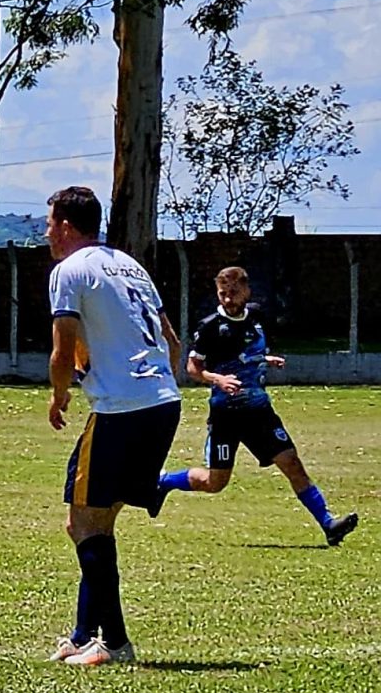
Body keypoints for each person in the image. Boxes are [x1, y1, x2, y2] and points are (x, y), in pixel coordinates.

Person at [43, 186, 182, 667]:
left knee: (85, 521)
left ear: (64, 226)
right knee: (91, 519)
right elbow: (170, 339)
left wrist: (60, 394)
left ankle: (116, 644)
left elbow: (62, 350)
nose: (46, 234)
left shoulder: (68, 271)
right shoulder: (129, 264)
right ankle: (84, 635)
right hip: (163, 401)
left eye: (48, 224)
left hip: (122, 409)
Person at [157, 266, 357, 546]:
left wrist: (266, 359)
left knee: (292, 463)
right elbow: (192, 368)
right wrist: (217, 379)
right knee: (216, 482)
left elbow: (249, 353)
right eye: (222, 294)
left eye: (233, 293)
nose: (227, 299)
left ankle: (328, 523)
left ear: (246, 291)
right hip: (226, 414)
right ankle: (164, 482)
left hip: (259, 411)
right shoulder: (210, 326)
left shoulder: (257, 316)